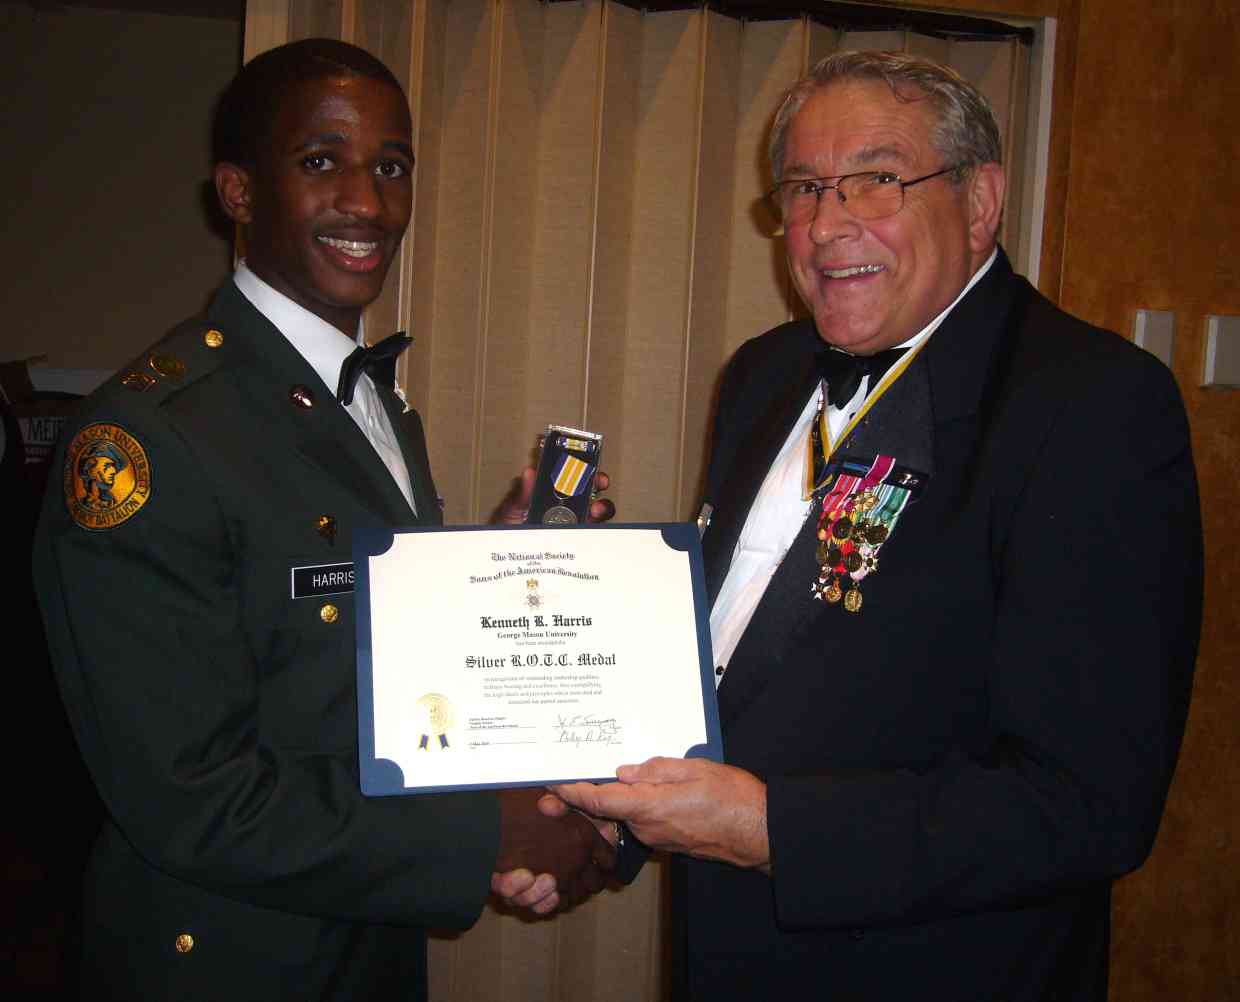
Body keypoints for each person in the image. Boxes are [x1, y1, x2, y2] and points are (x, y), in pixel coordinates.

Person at [548, 50, 1203, 1000]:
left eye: (878, 180)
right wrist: (600, 824)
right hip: (725, 959)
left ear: (981, 202)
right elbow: (742, 657)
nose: (825, 224)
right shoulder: (763, 374)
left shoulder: (1092, 405)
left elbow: (1088, 804)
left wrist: (773, 831)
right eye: (806, 188)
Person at [33, 38, 615, 1002]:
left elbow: (331, 640)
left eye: (391, 166)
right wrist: (489, 834)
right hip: (226, 957)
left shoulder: (369, 397)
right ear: (238, 191)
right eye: (320, 163)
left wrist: (497, 562)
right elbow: (193, 798)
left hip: (363, 937)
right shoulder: (144, 437)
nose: (370, 202)